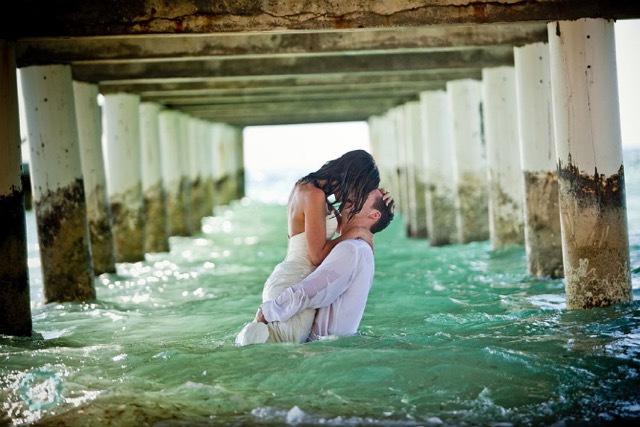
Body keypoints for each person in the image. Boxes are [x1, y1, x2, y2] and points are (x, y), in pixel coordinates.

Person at [235, 150, 392, 345]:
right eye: (362, 189)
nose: (356, 196)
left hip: (297, 278)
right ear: (353, 179)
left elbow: (347, 224)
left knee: (276, 345)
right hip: (295, 279)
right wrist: (355, 233)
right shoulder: (313, 194)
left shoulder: (311, 190)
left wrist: (380, 206)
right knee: (277, 348)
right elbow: (317, 256)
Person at [254, 188, 394, 341]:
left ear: (374, 215)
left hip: (318, 351)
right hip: (331, 348)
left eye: (362, 195)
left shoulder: (351, 249)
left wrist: (267, 312)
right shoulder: (360, 248)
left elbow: (309, 293)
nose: (354, 194)